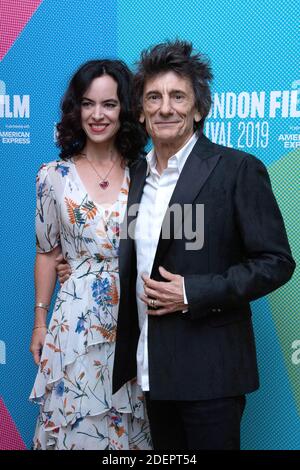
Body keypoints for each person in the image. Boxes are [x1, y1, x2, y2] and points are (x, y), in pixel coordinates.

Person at [57, 41, 295, 450]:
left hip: (210, 374)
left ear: (198, 109)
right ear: (143, 111)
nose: (165, 107)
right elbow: (138, 250)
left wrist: (192, 292)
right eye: (154, 97)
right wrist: (80, 266)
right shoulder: (136, 176)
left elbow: (276, 262)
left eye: (177, 96)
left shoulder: (236, 169)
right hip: (151, 374)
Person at [29, 59, 152, 450]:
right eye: (88, 104)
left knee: (129, 426)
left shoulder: (146, 174)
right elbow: (47, 253)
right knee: (75, 420)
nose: (97, 115)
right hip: (74, 322)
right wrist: (39, 321)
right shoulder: (52, 176)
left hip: (134, 317)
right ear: (75, 109)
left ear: (125, 110)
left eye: (109, 105)